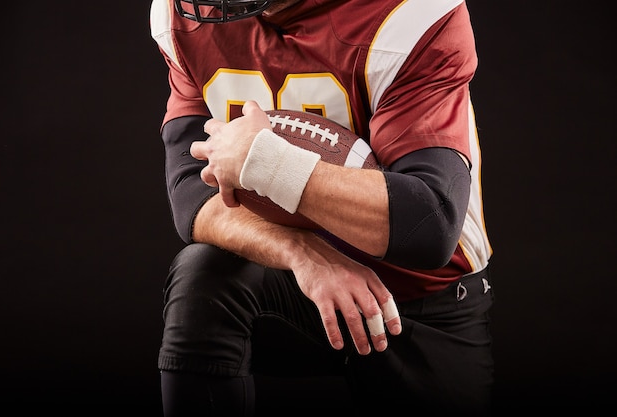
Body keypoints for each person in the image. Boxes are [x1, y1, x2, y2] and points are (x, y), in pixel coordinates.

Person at [149, 0, 494, 415]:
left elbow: (429, 224)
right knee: (204, 275)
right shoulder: (183, 14)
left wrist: (265, 162)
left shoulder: (410, 14)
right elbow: (192, 193)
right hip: (299, 287)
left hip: (421, 301)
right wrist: (303, 254)